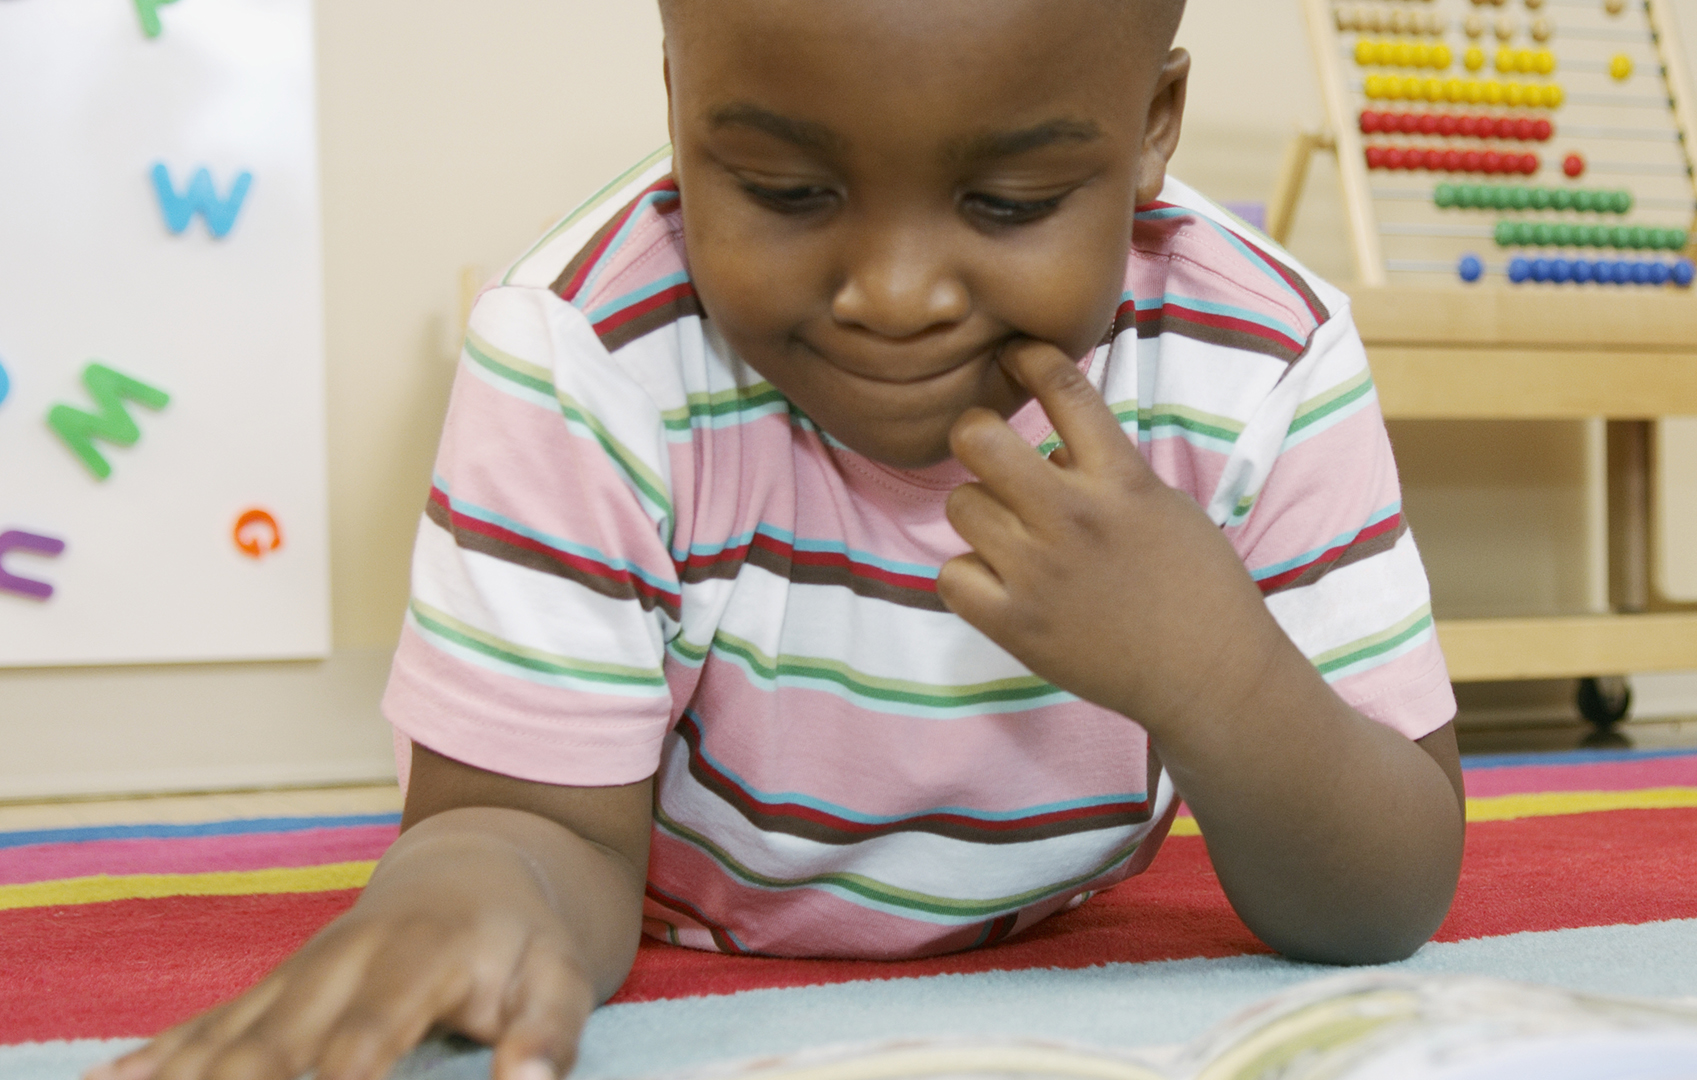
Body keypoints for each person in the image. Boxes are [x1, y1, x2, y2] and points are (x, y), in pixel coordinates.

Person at [95, 3, 1464, 1079]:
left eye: (1007, 203)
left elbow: (1383, 896)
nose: (895, 296)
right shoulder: (586, 358)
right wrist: (468, 896)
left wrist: (1214, 672)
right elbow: (531, 828)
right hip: (679, 914)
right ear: (681, 105)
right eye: (786, 189)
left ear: (1152, 123)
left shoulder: (1264, 363)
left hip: (1064, 925)